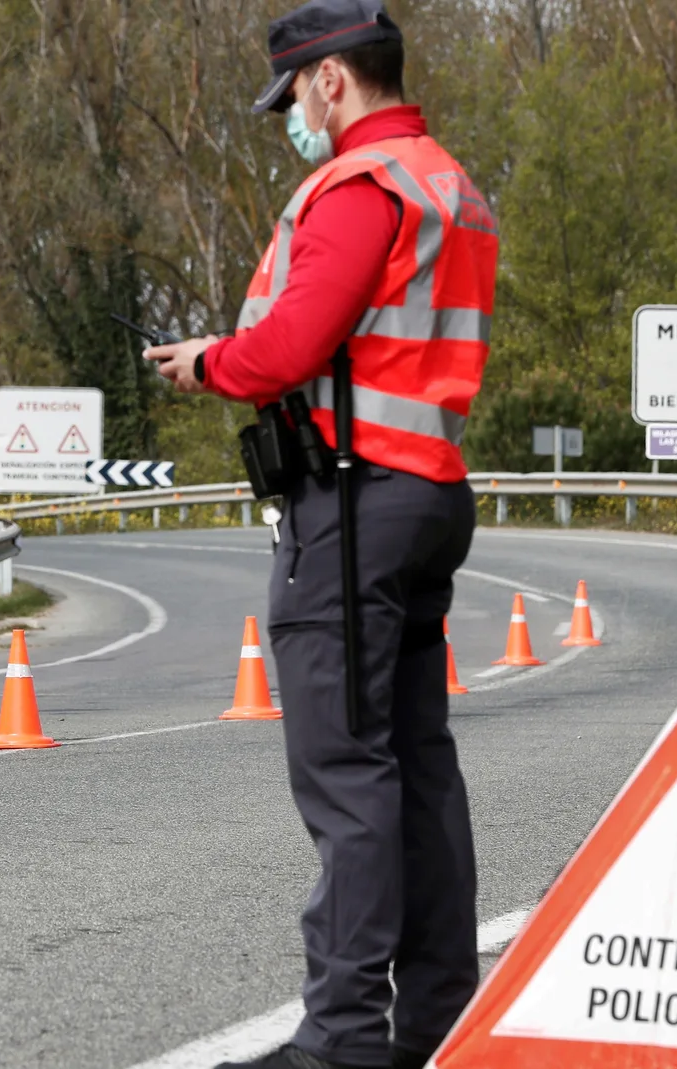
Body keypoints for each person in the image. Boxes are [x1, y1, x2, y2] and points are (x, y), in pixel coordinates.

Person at [144, 3, 496, 1067]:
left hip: (350, 508)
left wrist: (213, 362)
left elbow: (290, 346)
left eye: (293, 95)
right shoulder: (448, 184)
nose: (294, 115)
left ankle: (341, 1040)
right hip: (427, 489)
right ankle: (435, 1023)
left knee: (346, 774)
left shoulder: (359, 186)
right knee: (415, 768)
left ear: (332, 80)